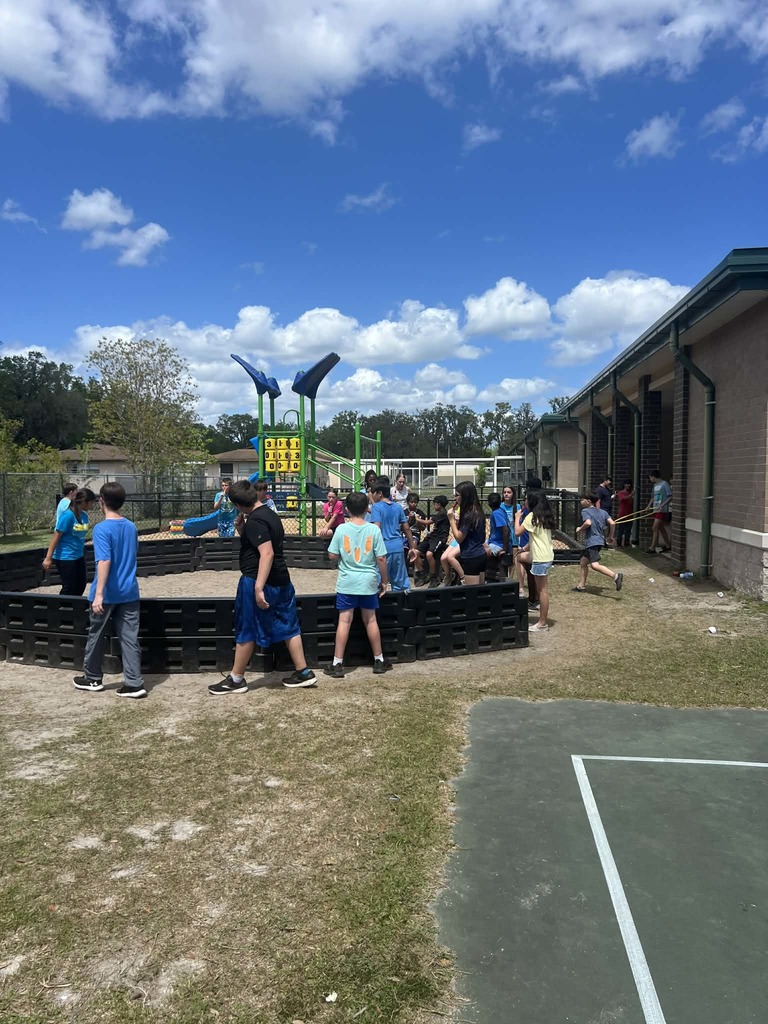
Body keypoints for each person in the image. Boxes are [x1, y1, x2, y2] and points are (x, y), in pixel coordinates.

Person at [209, 481, 316, 694]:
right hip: (281, 579)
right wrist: (242, 529)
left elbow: (267, 553)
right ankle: (303, 672)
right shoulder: (269, 513)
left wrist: (258, 587)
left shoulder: (256, 520)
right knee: (288, 624)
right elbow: (262, 545)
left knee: (247, 626)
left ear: (239, 505)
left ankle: (237, 678)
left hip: (258, 581)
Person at [73, 482, 145, 698]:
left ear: (102, 501)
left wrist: (99, 593)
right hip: (129, 591)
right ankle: (134, 683)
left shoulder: (102, 529)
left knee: (96, 635)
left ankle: (92, 677)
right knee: (129, 638)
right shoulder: (131, 527)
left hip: (107, 594)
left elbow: (104, 561)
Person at [324, 491, 392, 678]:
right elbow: (381, 558)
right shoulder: (374, 530)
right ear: (366, 509)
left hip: (347, 581)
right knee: (370, 620)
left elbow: (332, 555)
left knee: (344, 621)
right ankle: (378, 659)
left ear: (346, 510)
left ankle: (337, 663)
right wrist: (384, 582)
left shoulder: (341, 529)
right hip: (368, 580)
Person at [42, 487, 97, 596]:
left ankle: (74, 609)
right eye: (91, 502)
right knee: (69, 587)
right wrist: (48, 558)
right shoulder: (67, 516)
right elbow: (56, 537)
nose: (92, 505)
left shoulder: (84, 516)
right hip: (65, 557)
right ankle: (63, 609)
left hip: (78, 555)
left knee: (81, 585)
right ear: (84, 502)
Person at [514, 491, 554, 631]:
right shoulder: (544, 516)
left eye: (526, 500)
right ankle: (520, 587)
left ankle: (542, 623)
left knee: (542, 590)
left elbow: (517, 532)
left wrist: (517, 517)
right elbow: (536, 538)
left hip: (540, 558)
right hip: (544, 554)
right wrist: (524, 548)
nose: (524, 502)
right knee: (518, 557)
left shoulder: (531, 516)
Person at [369, 476, 417, 592]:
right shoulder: (397, 507)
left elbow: (376, 528)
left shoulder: (376, 507)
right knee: (401, 582)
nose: (371, 496)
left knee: (379, 583)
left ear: (379, 494)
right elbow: (406, 528)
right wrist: (411, 547)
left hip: (383, 548)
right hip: (398, 546)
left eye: (373, 493)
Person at [574, 492, 623, 593]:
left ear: (588, 501)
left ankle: (615, 576)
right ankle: (581, 586)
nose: (580, 501)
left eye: (582, 499)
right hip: (599, 540)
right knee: (583, 562)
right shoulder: (603, 512)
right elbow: (612, 523)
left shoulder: (585, 511)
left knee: (595, 565)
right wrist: (610, 536)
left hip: (592, 541)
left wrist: (579, 529)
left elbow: (588, 523)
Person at [449, 480, 487, 585]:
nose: (455, 498)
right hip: (480, 554)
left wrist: (451, 519)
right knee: (481, 590)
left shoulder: (468, 515)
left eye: (457, 495)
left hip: (472, 557)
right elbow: (481, 538)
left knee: (473, 594)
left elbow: (459, 538)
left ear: (465, 496)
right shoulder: (478, 511)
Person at [412, 494, 450, 587]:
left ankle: (434, 577)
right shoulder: (439, 513)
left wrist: (417, 518)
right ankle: (422, 574)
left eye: (435, 504)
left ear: (439, 504)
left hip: (440, 538)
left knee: (429, 554)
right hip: (432, 537)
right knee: (415, 552)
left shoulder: (442, 513)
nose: (434, 506)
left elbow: (427, 522)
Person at [518, 477, 543, 608]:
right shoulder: (542, 501)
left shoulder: (532, 503)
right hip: (534, 542)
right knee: (532, 571)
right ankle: (533, 597)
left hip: (529, 539)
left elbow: (519, 529)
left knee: (531, 571)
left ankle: (533, 598)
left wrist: (518, 518)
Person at [645, 469, 672, 553]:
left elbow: (670, 496)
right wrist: (648, 507)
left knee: (654, 527)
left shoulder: (665, 484)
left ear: (653, 477)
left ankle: (652, 547)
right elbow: (653, 497)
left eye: (650, 477)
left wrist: (662, 505)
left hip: (662, 510)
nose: (650, 479)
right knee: (661, 528)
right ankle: (668, 545)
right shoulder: (655, 485)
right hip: (655, 509)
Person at [485, 492, 509, 559]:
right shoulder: (501, 510)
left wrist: (504, 548)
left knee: (479, 553)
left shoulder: (496, 513)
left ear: (489, 503)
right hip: (494, 541)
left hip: (498, 543)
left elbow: (505, 530)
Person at [615, 480, 635, 548]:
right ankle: (619, 543)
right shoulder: (621, 493)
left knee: (628, 529)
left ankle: (627, 542)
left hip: (630, 514)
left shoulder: (630, 493)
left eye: (629, 484)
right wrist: (631, 495)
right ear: (624, 485)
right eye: (627, 484)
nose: (628, 485)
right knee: (621, 529)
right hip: (622, 514)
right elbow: (623, 499)